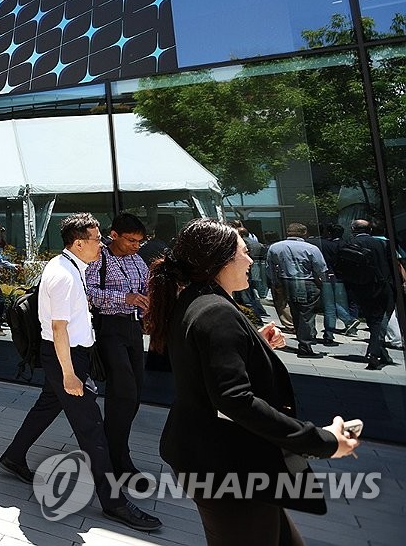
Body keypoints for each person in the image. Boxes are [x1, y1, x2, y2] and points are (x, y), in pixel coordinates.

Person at [147, 218, 359, 545]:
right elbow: (234, 400)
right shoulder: (215, 310)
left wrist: (252, 343)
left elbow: (203, 363)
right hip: (229, 467)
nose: (250, 261)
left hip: (219, 460)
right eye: (243, 253)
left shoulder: (195, 299)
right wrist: (321, 441)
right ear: (218, 260)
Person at [0, 213, 161, 533]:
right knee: (92, 430)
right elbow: (58, 329)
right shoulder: (64, 275)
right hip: (66, 359)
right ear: (78, 243)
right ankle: (114, 502)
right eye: (98, 239)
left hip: (73, 356)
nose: (103, 244)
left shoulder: (74, 268)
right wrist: (70, 375)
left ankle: (14, 456)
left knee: (49, 405)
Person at [85, 212, 150, 480]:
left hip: (134, 329)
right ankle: (118, 458)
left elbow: (147, 286)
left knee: (134, 393)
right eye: (131, 240)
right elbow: (88, 292)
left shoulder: (137, 260)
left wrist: (149, 300)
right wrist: (126, 298)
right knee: (122, 392)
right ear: (114, 235)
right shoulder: (98, 258)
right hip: (109, 328)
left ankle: (115, 449)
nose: (136, 245)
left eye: (139, 241)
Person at [341, 219, 399, 370]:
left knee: (373, 320)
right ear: (370, 230)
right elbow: (393, 265)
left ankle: (381, 353)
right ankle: (375, 354)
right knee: (379, 321)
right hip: (382, 286)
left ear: (353, 229)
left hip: (359, 288)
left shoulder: (348, 244)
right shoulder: (381, 244)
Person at [265, 223, 328, 358]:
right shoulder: (311, 248)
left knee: (295, 311)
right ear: (304, 233)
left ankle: (304, 339)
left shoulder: (275, 247)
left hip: (286, 281)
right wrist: (322, 281)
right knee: (306, 313)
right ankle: (305, 345)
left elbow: (269, 267)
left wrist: (275, 282)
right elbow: (321, 267)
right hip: (307, 281)